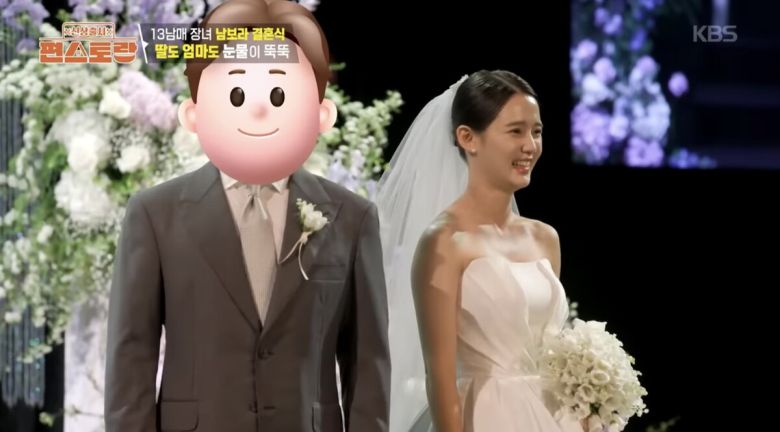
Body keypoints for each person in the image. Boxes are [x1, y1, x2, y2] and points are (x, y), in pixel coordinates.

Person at [105, 1, 390, 431]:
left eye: (279, 94)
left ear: (320, 113)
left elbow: (367, 362)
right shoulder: (155, 215)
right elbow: (131, 356)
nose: (258, 110)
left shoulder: (352, 217)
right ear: (194, 112)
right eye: (236, 93)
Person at [376, 70, 583, 432]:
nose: (530, 146)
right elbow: (439, 377)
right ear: (468, 138)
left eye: (536, 132)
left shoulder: (545, 238)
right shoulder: (444, 241)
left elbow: (553, 353)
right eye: (515, 131)